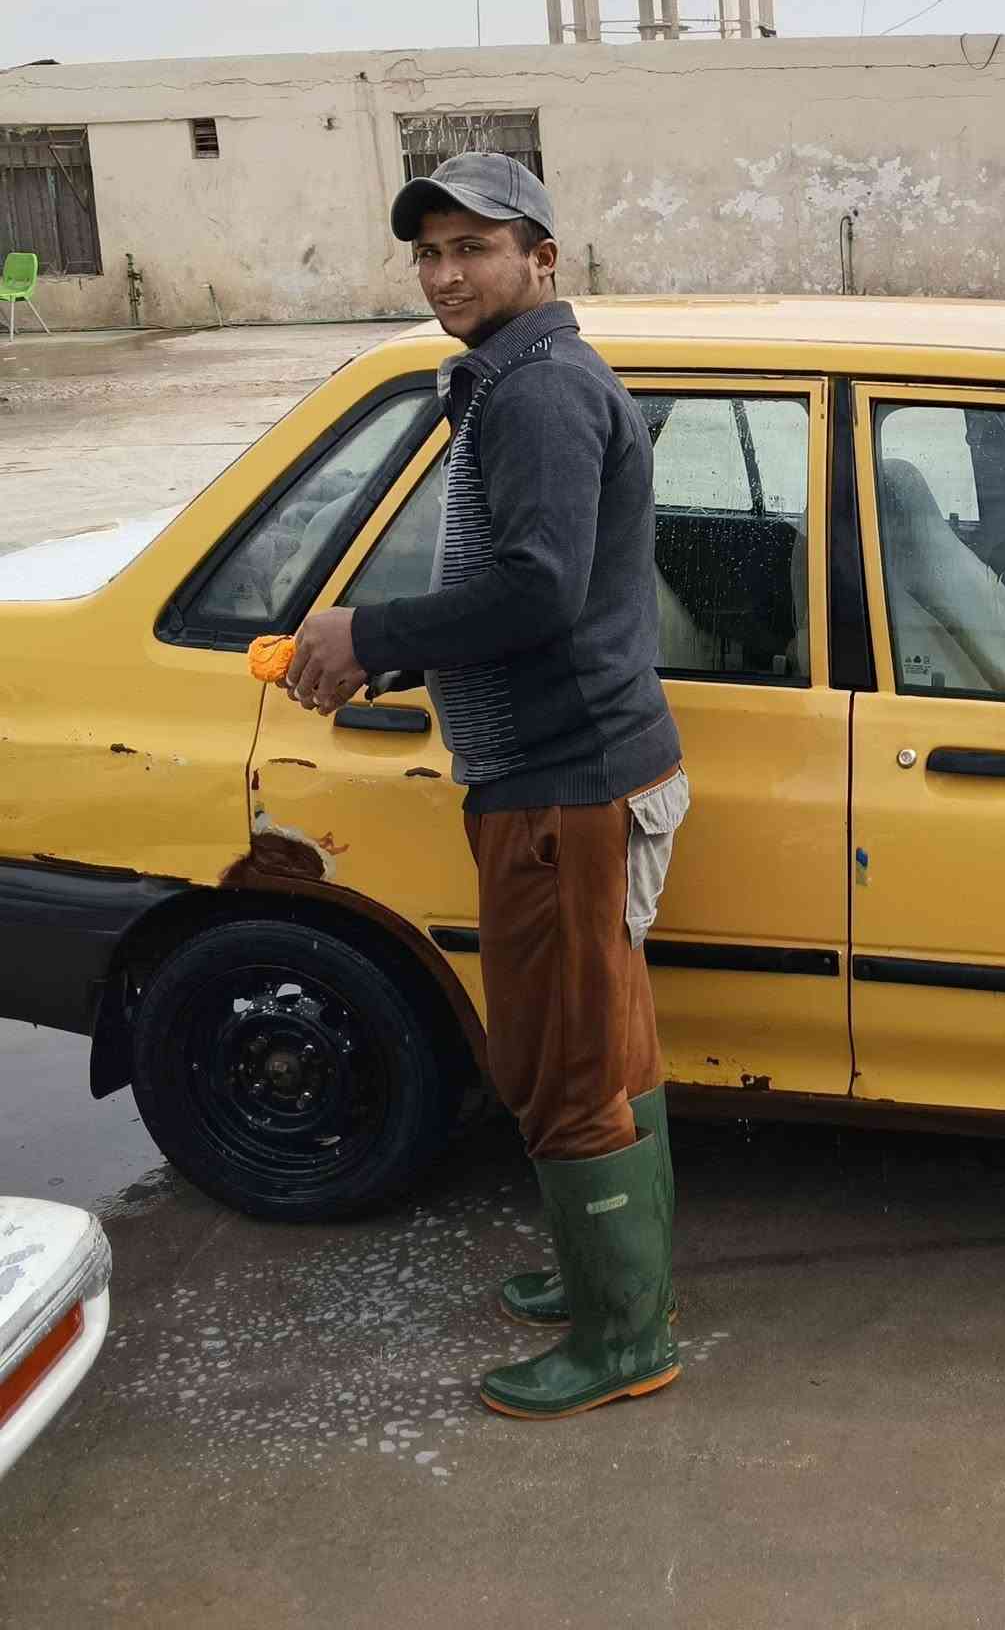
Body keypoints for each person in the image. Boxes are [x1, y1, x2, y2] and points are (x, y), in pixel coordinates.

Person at [285, 151, 686, 1422]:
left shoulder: (540, 392)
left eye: (474, 246)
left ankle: (625, 1336)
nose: (445, 272)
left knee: (560, 1061)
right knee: (605, 1042)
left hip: (564, 782)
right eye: (428, 251)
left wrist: (373, 635)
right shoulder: (517, 377)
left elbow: (535, 591)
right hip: (577, 767)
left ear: (543, 259)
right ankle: (604, 1281)